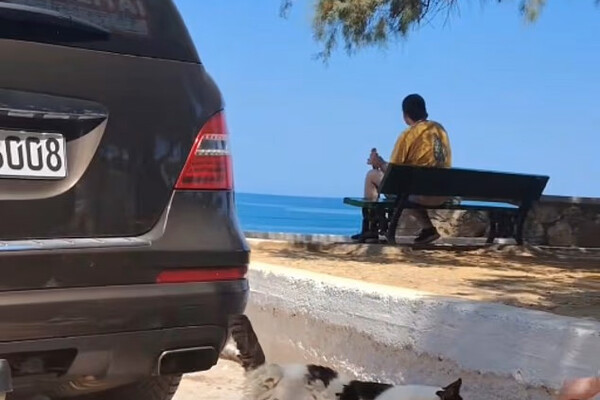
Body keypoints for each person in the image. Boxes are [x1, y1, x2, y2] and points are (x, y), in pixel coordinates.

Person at [352, 94, 452, 244]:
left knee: (372, 175)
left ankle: (370, 229)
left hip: (420, 194)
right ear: (425, 111)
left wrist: (378, 162)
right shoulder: (440, 130)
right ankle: (428, 230)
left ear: (405, 115)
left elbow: (394, 173)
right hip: (442, 193)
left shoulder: (408, 135)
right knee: (410, 190)